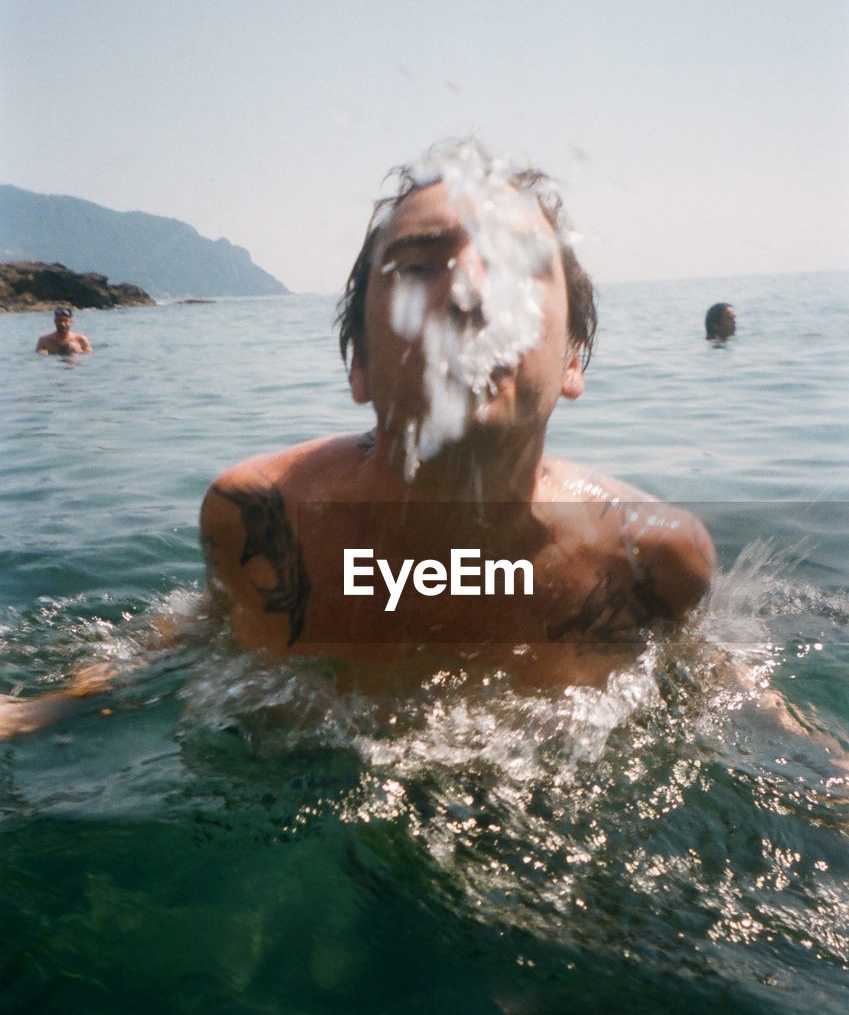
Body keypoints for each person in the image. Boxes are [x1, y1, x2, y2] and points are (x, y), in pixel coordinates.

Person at [1, 140, 716, 738]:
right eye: (416, 265)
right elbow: (197, 625)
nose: (468, 296)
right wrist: (45, 709)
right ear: (360, 367)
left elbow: (721, 683)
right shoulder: (262, 517)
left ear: (571, 359)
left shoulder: (652, 562)